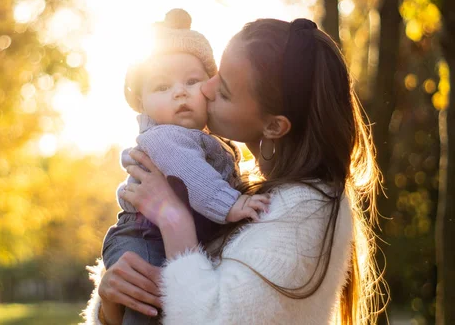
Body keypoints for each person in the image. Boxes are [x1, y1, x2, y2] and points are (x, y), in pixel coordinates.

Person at [83, 18, 384, 325]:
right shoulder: (247, 186)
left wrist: (173, 218)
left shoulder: (304, 210)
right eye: (217, 74)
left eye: (224, 89)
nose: (205, 89)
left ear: (274, 125)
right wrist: (111, 304)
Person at [102, 8, 271, 324]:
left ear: (211, 87)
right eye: (162, 88)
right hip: (142, 236)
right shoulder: (165, 138)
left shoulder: (210, 140)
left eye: (192, 81)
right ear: (143, 104)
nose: (179, 91)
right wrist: (232, 204)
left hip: (165, 234)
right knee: (148, 301)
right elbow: (191, 174)